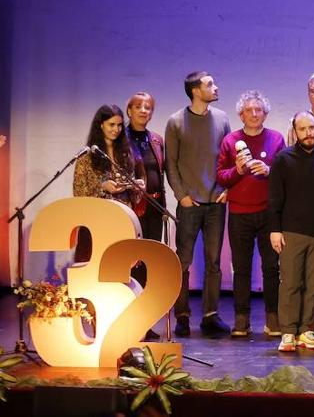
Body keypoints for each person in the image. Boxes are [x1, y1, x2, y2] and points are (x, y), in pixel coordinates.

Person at [165, 71, 232, 338]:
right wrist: (181, 194)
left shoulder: (222, 119)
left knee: (214, 261)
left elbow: (227, 156)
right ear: (195, 91)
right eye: (209, 84)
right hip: (190, 202)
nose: (215, 87)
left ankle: (210, 315)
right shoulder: (176, 122)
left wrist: (225, 188)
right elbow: (171, 162)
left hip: (216, 200)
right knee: (183, 259)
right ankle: (182, 315)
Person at [215, 90, 285, 337]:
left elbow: (284, 174)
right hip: (239, 214)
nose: (254, 114)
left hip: (268, 213)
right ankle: (241, 319)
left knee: (271, 268)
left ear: (265, 113)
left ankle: (273, 318)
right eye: (249, 111)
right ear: (241, 115)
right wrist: (237, 169)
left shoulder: (276, 139)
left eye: (259, 110)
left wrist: (269, 170)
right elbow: (221, 177)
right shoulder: (230, 141)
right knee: (241, 268)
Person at [269, 111, 314, 352]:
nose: (308, 133)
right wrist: (275, 230)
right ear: (295, 131)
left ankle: (306, 330)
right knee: (291, 283)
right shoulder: (283, 159)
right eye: (303, 129)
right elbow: (274, 198)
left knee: (312, 285)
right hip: (292, 232)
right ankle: (287, 332)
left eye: (312, 128)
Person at [74, 105, 143, 261]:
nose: (116, 129)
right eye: (111, 124)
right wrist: (102, 187)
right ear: (101, 125)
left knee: (118, 265)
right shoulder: (87, 155)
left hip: (122, 219)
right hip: (95, 220)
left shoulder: (126, 153)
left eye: (119, 125)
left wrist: (136, 187)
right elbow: (79, 193)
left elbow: (135, 198)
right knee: (93, 264)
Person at [125, 92, 167, 246]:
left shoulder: (157, 140)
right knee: (135, 253)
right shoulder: (120, 139)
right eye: (138, 107)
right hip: (132, 206)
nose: (143, 110)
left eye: (148, 108)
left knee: (153, 252)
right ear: (129, 111)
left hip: (156, 206)